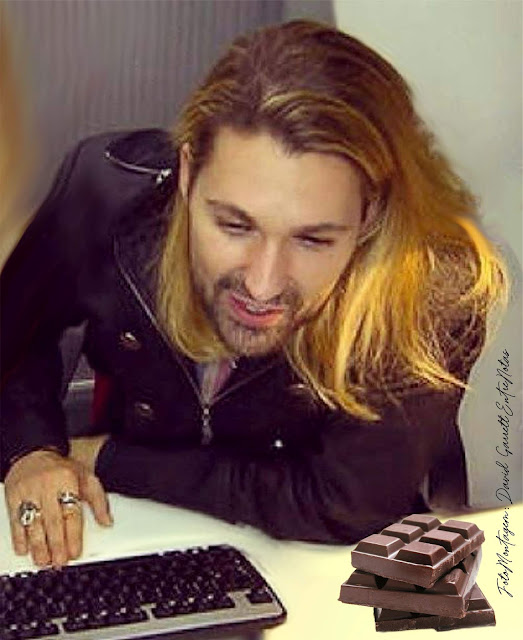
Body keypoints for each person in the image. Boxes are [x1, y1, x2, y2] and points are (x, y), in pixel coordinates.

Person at [0, 20, 508, 568]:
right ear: (187, 175)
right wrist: (31, 449)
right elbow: (14, 330)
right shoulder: (110, 190)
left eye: (313, 239)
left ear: (371, 214)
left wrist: (107, 459)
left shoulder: (436, 287)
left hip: (325, 557)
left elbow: (343, 504)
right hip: (134, 528)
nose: (263, 285)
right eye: (234, 225)